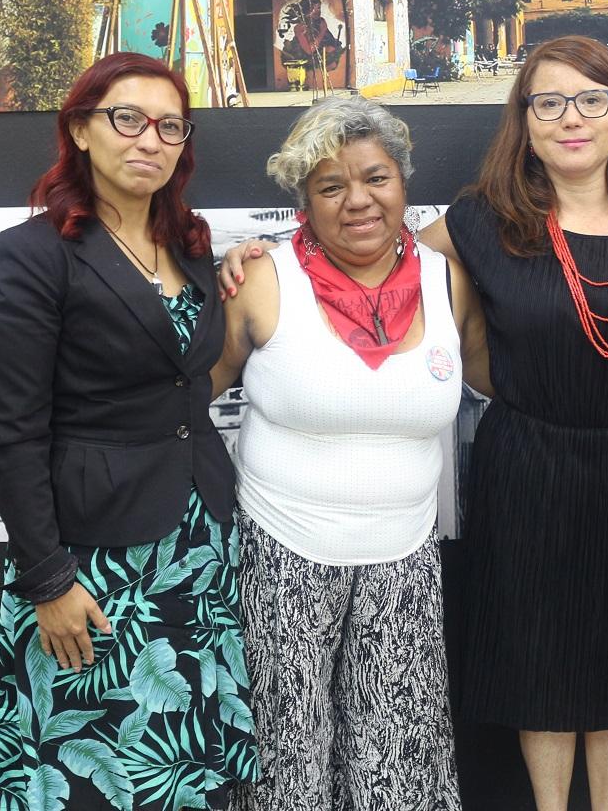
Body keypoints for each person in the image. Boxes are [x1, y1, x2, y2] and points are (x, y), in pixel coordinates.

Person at [0, 52, 260, 810]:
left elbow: (185, 384)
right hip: (92, 564)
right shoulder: (31, 257)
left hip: (195, 549)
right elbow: (11, 438)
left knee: (182, 762)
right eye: (126, 119)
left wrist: (249, 266)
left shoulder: (193, 249)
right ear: (81, 130)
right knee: (86, 767)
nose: (149, 140)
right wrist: (47, 581)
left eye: (170, 126)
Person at [430, 35, 608, 811]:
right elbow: (377, 270)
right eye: (548, 102)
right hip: (529, 465)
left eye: (591, 99)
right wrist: (273, 260)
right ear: (525, 119)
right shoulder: (481, 221)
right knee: (539, 654)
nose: (570, 118)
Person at [219, 97, 488, 811]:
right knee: (286, 752)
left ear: (403, 181)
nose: (358, 200)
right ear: (304, 200)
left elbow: (497, 379)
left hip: (405, 556)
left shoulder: (447, 280)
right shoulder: (262, 279)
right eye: (330, 186)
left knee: (394, 752)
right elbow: (183, 403)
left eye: (376, 178)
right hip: (281, 555)